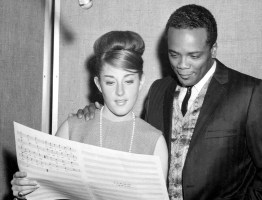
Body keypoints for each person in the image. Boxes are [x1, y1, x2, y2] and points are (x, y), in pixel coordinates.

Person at [75, 4, 262, 200]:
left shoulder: (252, 93)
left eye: (194, 56)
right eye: (174, 54)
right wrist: (97, 115)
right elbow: (138, 146)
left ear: (213, 49)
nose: (182, 65)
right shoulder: (158, 90)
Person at [10, 30, 168, 200]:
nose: (120, 92)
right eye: (110, 82)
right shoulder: (72, 128)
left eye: (128, 81)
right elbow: (46, 193)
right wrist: (24, 193)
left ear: (141, 81)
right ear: (98, 84)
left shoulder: (155, 141)